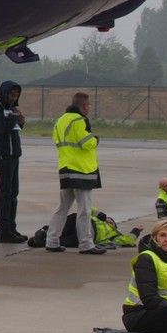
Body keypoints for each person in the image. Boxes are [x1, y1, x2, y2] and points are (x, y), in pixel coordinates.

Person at [43, 91, 106, 255]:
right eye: (89, 105)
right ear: (84, 106)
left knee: (62, 207)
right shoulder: (80, 120)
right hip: (81, 170)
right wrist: (95, 139)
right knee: (84, 209)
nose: (90, 108)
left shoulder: (60, 120)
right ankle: (86, 243)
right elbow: (86, 143)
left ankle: (52, 240)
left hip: (65, 168)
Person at [0, 80, 27, 243]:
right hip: (3, 157)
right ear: (5, 93)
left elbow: (16, 128)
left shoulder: (12, 109)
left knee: (13, 194)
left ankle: (11, 227)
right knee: (5, 194)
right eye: (11, 94)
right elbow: (2, 128)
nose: (14, 97)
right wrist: (14, 118)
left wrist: (21, 120)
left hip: (14, 156)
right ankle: (3, 231)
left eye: (16, 95)